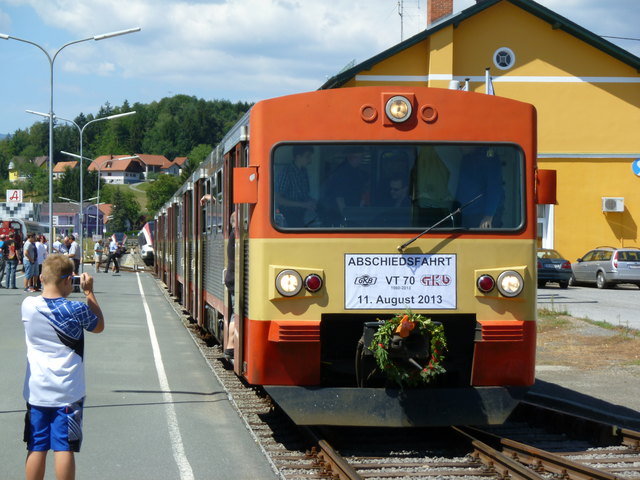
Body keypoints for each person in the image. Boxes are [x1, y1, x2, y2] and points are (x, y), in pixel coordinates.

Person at [21, 254, 104, 480]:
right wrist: (89, 292)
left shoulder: (28, 305)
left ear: (41, 277)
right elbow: (98, 326)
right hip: (68, 391)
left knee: (36, 446)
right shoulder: (76, 309)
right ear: (69, 280)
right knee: (64, 447)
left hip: (36, 390)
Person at [455, 146, 504, 228]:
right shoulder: (466, 158)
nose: (459, 147)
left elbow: (494, 188)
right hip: (463, 212)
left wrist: (489, 215)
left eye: (462, 143)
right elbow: (462, 187)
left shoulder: (490, 158)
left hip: (481, 214)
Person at [322, 146, 369, 225]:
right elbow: (339, 197)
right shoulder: (342, 173)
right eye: (357, 157)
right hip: (340, 214)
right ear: (350, 157)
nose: (360, 160)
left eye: (361, 157)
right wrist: (345, 217)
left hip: (352, 211)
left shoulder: (356, 171)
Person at [275, 145, 317, 227]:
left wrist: (312, 202)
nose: (310, 160)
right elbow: (278, 199)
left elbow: (303, 195)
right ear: (298, 157)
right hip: (288, 215)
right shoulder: (286, 172)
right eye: (307, 156)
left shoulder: (303, 171)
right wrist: (303, 204)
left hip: (302, 214)